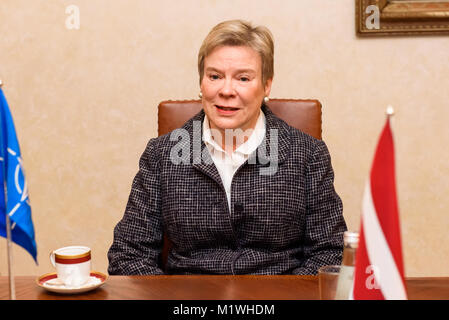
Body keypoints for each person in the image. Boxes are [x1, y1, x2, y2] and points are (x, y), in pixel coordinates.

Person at [107, 19, 347, 275]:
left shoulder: (308, 154)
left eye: (243, 78)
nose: (226, 90)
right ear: (201, 82)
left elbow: (330, 253)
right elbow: (128, 254)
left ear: (266, 85)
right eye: (215, 76)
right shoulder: (161, 155)